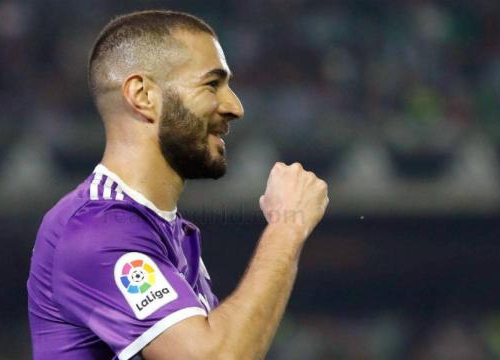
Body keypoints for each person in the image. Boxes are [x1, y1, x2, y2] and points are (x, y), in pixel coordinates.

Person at [27, 10, 329, 360]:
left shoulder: (167, 232)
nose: (235, 107)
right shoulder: (94, 230)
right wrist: (287, 226)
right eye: (212, 84)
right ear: (142, 95)